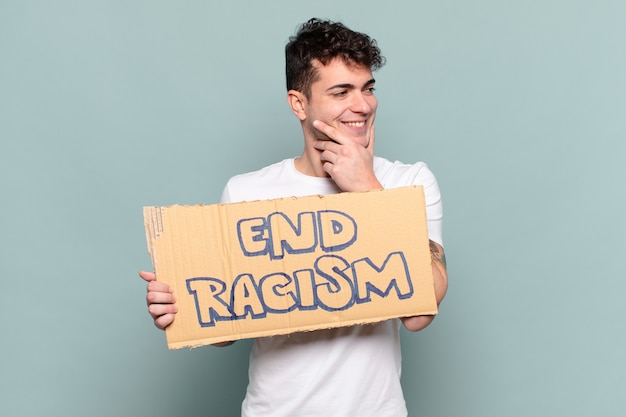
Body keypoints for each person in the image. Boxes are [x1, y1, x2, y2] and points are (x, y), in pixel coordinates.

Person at [140, 17, 448, 417]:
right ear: (298, 103)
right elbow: (225, 329)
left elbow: (420, 314)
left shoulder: (407, 181)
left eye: (368, 89)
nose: (363, 105)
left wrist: (368, 189)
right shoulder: (246, 193)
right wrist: (181, 306)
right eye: (342, 92)